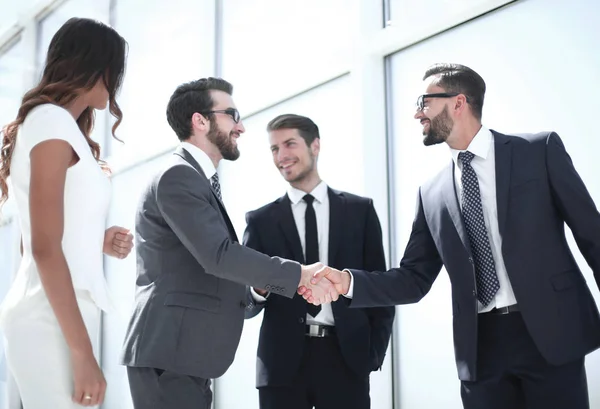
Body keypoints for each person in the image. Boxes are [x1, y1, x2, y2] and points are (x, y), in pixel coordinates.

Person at [303, 63, 600, 409]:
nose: (417, 113)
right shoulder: (432, 193)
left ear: (458, 103)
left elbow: (592, 235)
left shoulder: (537, 151)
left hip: (551, 334)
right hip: (480, 350)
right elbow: (413, 279)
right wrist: (347, 282)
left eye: (424, 102)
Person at [120, 78, 336, 409]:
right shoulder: (178, 175)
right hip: (169, 356)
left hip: (184, 357)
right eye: (232, 114)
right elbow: (218, 255)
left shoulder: (193, 178)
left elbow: (205, 264)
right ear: (200, 120)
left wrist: (256, 290)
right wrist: (299, 276)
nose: (241, 127)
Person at [0, 18, 132, 408]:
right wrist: (82, 353)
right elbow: (40, 247)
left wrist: (96, 239)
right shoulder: (51, 122)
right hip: (50, 318)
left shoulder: (56, 125)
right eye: (114, 70)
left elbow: (36, 237)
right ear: (95, 66)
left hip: (57, 311)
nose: (116, 82)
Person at [243, 114, 395, 409]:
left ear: (315, 146)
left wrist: (373, 353)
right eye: (274, 149)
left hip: (346, 358)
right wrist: (258, 291)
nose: (281, 156)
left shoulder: (359, 211)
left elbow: (380, 289)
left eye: (289, 144)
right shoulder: (260, 221)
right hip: (281, 365)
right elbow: (243, 303)